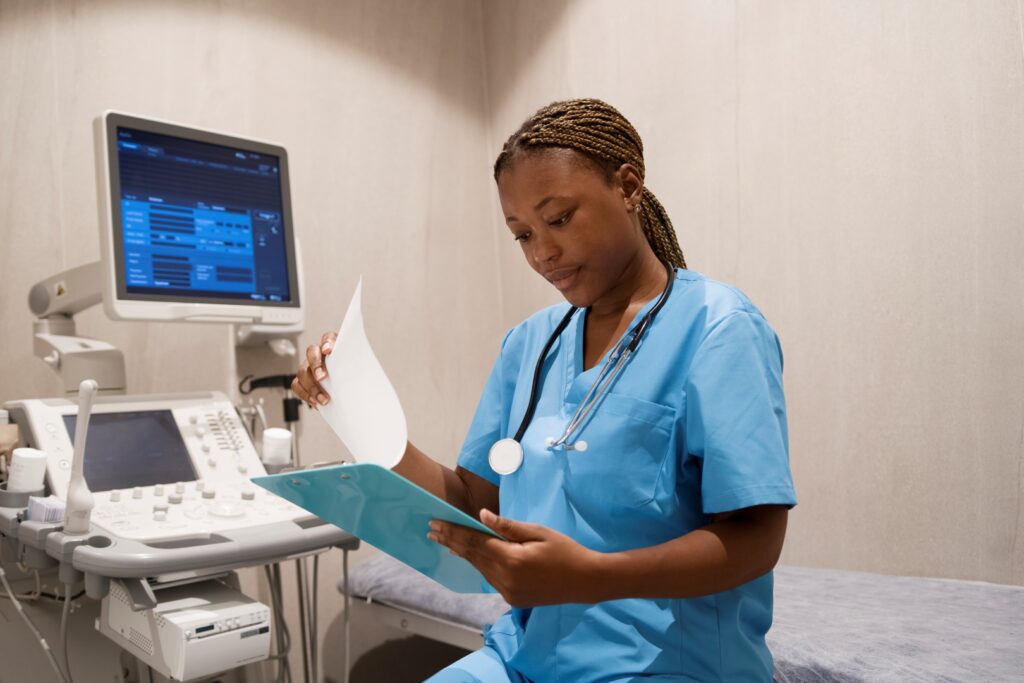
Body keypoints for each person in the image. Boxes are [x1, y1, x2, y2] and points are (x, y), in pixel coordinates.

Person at [293, 99, 797, 682]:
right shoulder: (530, 343)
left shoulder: (719, 328)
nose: (542, 253)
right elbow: (474, 504)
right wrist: (355, 410)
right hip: (527, 656)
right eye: (522, 235)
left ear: (628, 186)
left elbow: (756, 539)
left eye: (559, 219)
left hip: (668, 664)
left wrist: (589, 576)